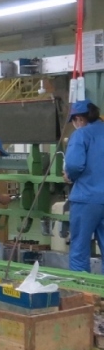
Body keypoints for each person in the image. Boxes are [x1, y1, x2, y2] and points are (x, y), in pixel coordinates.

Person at [64, 100, 104, 272]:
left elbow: (74, 165)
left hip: (86, 198)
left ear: (79, 119)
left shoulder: (81, 134)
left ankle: (80, 286)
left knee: (80, 248)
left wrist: (69, 176)